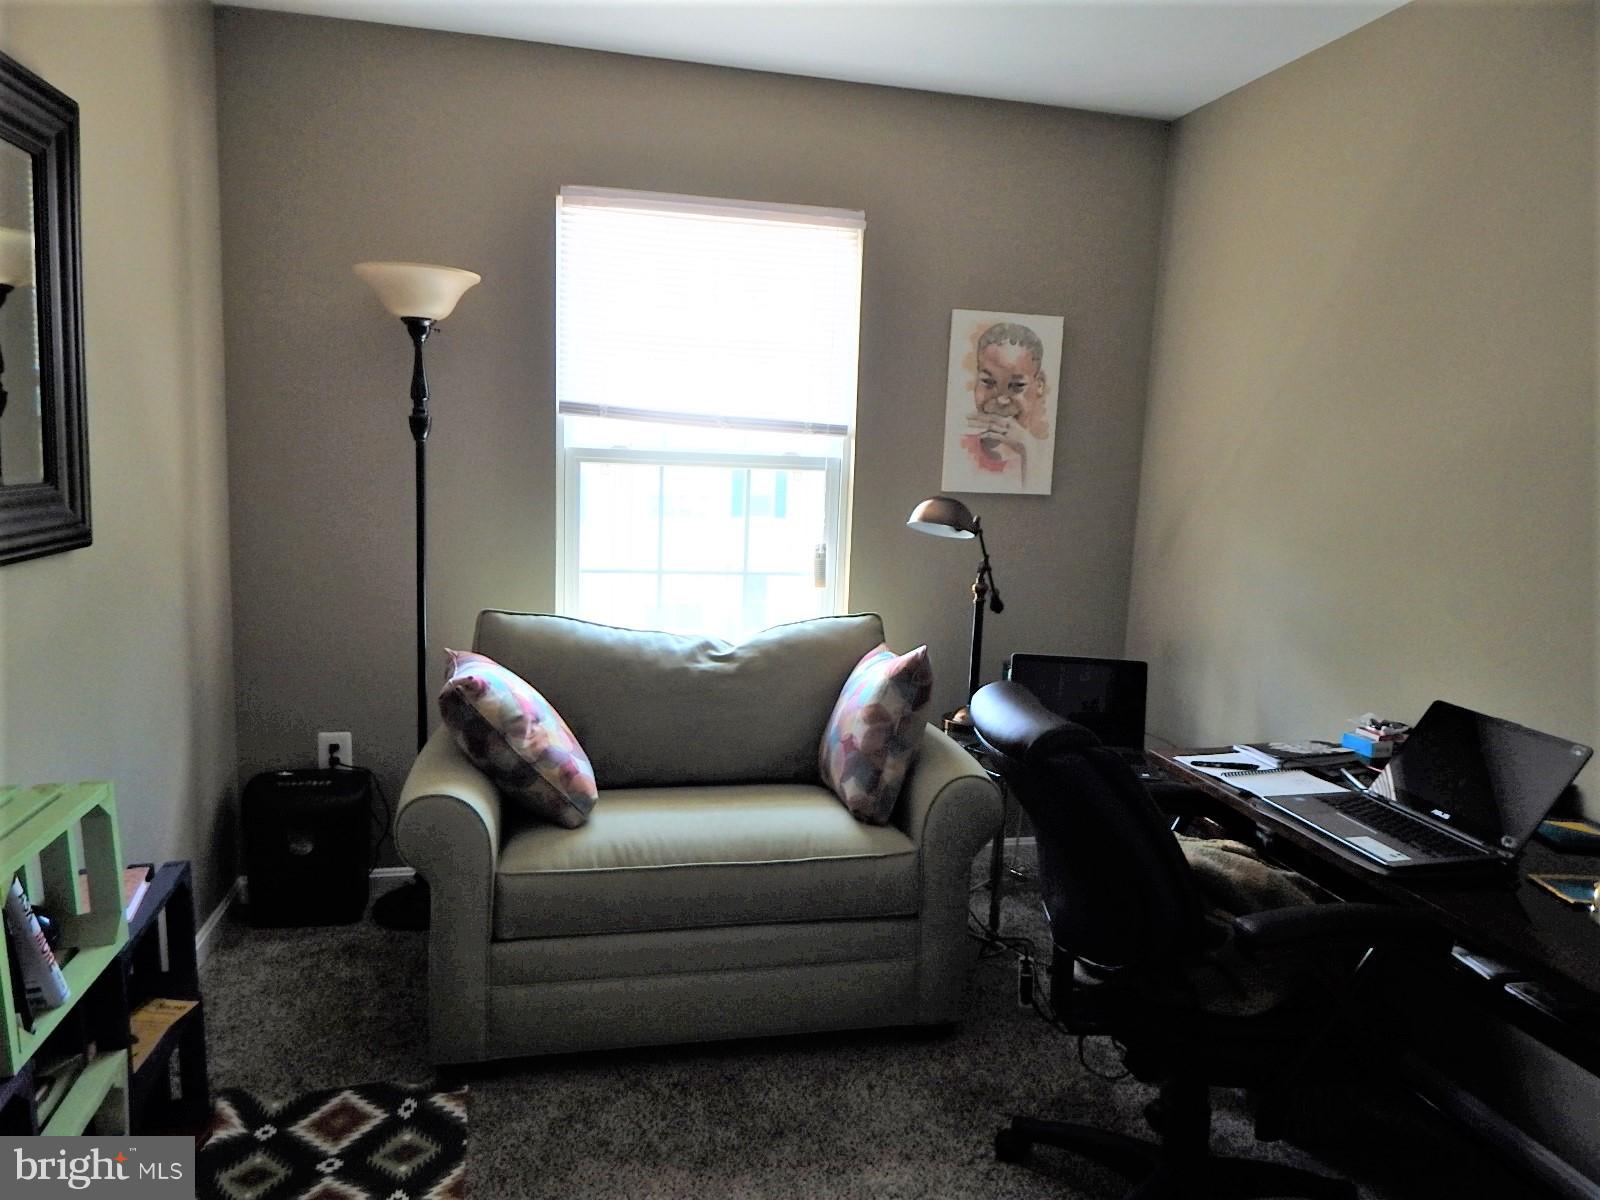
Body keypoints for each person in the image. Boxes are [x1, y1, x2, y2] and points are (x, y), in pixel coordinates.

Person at [961, 321, 1051, 482]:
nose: (1001, 400)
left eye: (1017, 386)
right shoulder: (958, 448)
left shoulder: (1043, 458)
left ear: (1039, 385)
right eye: (988, 382)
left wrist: (1027, 448)